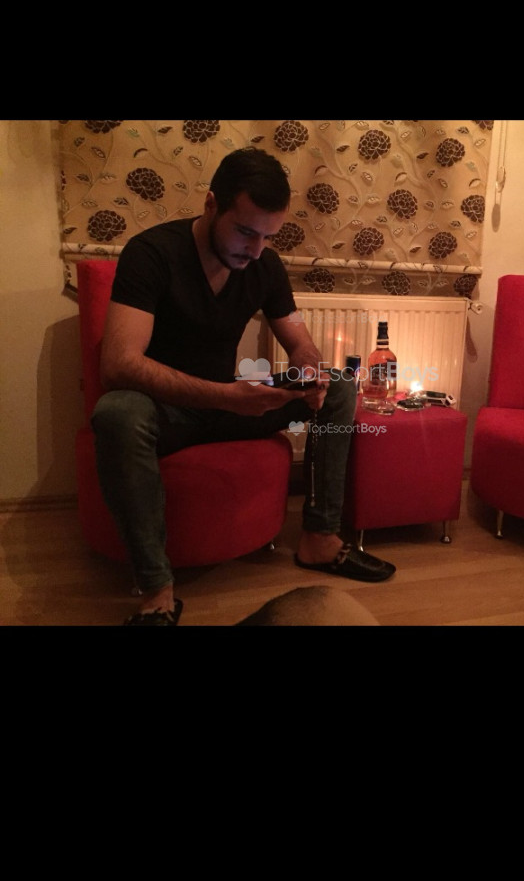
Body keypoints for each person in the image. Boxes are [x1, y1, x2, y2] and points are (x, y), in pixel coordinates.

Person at [91, 146, 396, 626]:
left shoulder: (264, 265)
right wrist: (227, 396)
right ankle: (157, 591)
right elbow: (118, 364)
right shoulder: (151, 253)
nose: (255, 250)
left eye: (268, 237)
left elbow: (300, 342)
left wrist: (310, 373)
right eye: (246, 232)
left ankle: (320, 539)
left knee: (339, 385)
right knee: (117, 412)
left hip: (227, 405)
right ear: (212, 204)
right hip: (165, 412)